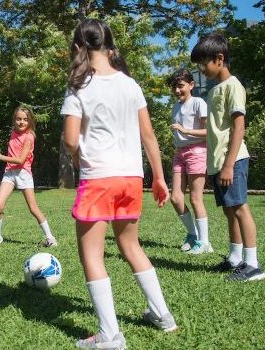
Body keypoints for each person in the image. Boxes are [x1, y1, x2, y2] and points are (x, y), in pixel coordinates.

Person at [61, 19, 177, 350]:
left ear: (76, 48)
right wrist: (159, 177)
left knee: (92, 256)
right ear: (109, 45)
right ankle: (162, 315)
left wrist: (76, 156)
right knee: (131, 246)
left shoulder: (78, 86)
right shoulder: (130, 84)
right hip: (131, 178)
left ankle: (110, 337)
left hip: (99, 177)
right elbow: (149, 135)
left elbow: (70, 140)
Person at [191, 33, 265, 282]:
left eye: (203, 64)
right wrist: (215, 166)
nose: (201, 69)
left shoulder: (233, 86)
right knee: (229, 211)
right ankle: (235, 258)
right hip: (218, 162)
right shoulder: (214, 91)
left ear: (219, 59)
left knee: (240, 208)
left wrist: (228, 165)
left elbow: (239, 128)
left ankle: (253, 265)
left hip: (231, 160)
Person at [0, 106, 57, 250]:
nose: (21, 122)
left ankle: (50, 238)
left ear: (30, 121)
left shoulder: (29, 137)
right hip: (9, 173)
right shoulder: (13, 132)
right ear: (14, 120)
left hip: (23, 173)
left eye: (25, 119)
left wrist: (1, 157)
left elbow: (20, 160)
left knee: (33, 208)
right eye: (18, 119)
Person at [167, 69, 211, 254]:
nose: (177, 90)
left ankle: (205, 243)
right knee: (176, 197)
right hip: (180, 153)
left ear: (191, 85)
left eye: (180, 86)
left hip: (197, 151)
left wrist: (185, 131)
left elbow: (209, 132)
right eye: (174, 87)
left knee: (195, 198)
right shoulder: (176, 107)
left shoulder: (198, 103)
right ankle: (193, 235)